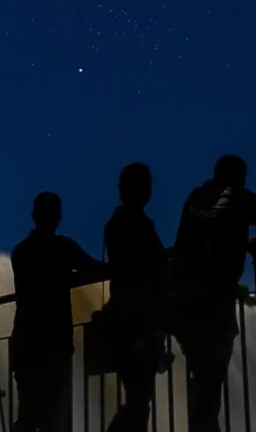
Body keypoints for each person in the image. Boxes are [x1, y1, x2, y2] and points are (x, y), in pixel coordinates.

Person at [170, 154, 256, 432]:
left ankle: (200, 425)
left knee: (200, 373)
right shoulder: (241, 198)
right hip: (215, 298)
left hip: (182, 298)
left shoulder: (195, 197)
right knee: (211, 373)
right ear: (240, 178)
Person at [10, 191, 108, 432]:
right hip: (54, 346)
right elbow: (96, 269)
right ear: (58, 217)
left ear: (34, 215)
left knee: (28, 414)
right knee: (55, 416)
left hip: (24, 344)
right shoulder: (63, 248)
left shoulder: (20, 252)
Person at [103, 163, 170, 432]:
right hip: (138, 323)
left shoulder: (116, 224)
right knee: (139, 400)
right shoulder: (137, 225)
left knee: (137, 398)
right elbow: (150, 271)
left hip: (125, 320)